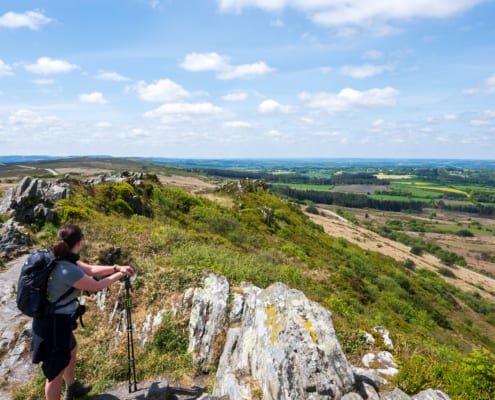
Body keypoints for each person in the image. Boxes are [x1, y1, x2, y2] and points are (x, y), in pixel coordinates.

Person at [31, 223, 134, 400]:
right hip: (53, 325)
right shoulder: (68, 270)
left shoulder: (59, 257)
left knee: (71, 349)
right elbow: (96, 285)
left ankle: (72, 388)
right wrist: (120, 275)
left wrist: (117, 268)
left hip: (52, 320)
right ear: (79, 242)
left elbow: (91, 270)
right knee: (54, 373)